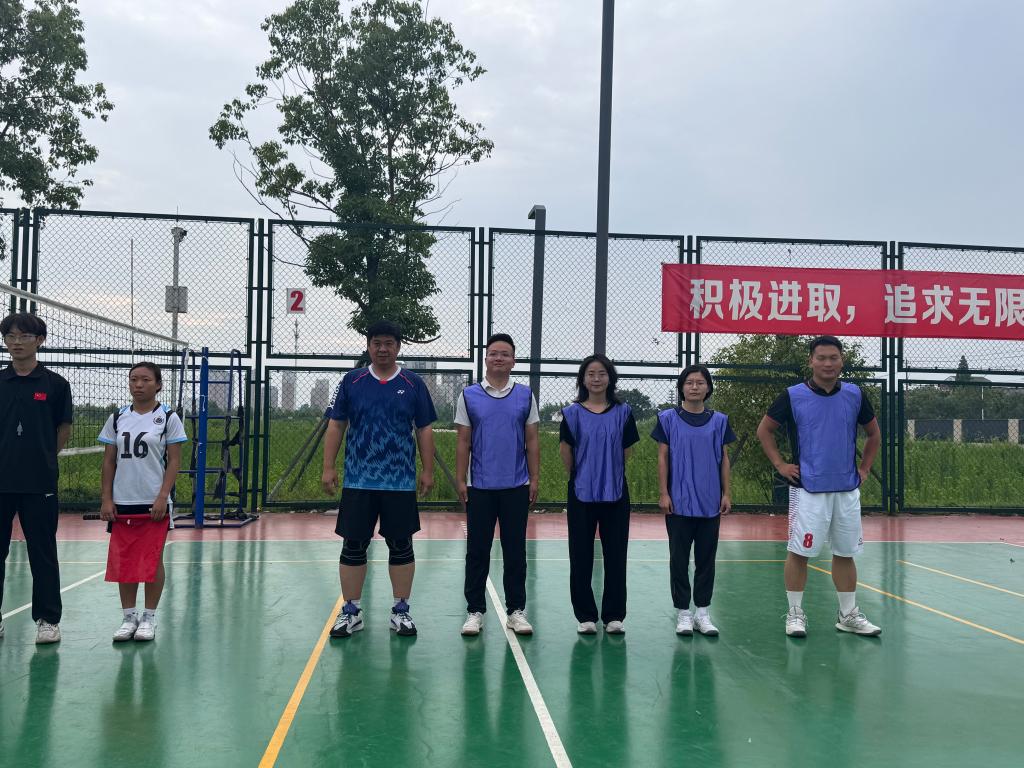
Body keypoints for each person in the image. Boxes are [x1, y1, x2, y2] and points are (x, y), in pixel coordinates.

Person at [756, 335, 882, 638]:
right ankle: (795, 614)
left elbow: (874, 434)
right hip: (808, 489)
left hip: (846, 490)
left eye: (833, 358)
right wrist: (780, 465)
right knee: (799, 552)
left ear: (842, 361)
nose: (828, 363)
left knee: (845, 552)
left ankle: (848, 615)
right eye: (821, 358)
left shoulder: (854, 394)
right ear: (811, 361)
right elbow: (765, 430)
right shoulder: (793, 395)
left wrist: (864, 468)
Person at [322, 321, 436, 638]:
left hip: (399, 482)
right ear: (368, 346)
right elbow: (336, 425)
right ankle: (351, 611)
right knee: (353, 545)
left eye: (389, 343)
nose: (383, 349)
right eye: (377, 343)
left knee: (401, 545)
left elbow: (424, 428)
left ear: (398, 347)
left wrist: (427, 470)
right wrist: (328, 467)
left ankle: (401, 610)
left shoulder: (413, 383)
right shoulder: (351, 381)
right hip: (358, 481)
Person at [456, 333, 540, 637]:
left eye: (505, 354)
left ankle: (516, 611)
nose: (499, 358)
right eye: (494, 353)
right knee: (477, 550)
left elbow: (532, 440)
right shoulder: (469, 395)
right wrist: (461, 479)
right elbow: (463, 441)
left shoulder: (525, 395)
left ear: (513, 360)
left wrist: (534, 478)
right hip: (480, 486)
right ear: (486, 359)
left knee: (515, 550)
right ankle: (474, 611)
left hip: (516, 485)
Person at [97, 362, 187, 642]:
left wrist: (162, 496)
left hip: (153, 501)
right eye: (133, 379)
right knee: (124, 559)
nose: (138, 384)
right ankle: (128, 617)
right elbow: (109, 461)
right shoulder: (117, 417)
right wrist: (107, 498)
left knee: (152, 558)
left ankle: (149, 617)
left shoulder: (168, 417)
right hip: (123, 500)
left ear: (158, 385)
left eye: (145, 380)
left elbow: (174, 461)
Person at [0, 313, 73, 644]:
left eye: (24, 336)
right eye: (10, 336)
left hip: (39, 483)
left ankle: (48, 620)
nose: (16, 342)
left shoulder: (55, 384)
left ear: (39, 340)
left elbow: (63, 428)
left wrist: (42, 458)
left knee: (42, 553)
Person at [652, 364, 735, 637]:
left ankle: (702, 612)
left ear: (708, 387)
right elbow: (662, 457)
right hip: (679, 502)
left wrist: (726, 493)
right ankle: (683, 613)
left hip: (710, 501)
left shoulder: (719, 420)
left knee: (706, 559)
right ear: (682, 387)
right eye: (689, 382)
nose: (695, 387)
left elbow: (724, 459)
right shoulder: (667, 419)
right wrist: (664, 493)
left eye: (700, 382)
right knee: (678, 559)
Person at [559, 354, 639, 634]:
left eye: (602, 373)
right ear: (583, 379)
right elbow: (566, 451)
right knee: (580, 555)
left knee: (616, 555)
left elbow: (627, 450)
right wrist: (584, 473)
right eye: (591, 374)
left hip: (615, 492)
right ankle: (586, 616)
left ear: (610, 378)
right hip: (581, 492)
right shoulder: (571, 414)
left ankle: (614, 616)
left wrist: (608, 471)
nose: (596, 378)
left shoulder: (624, 412)